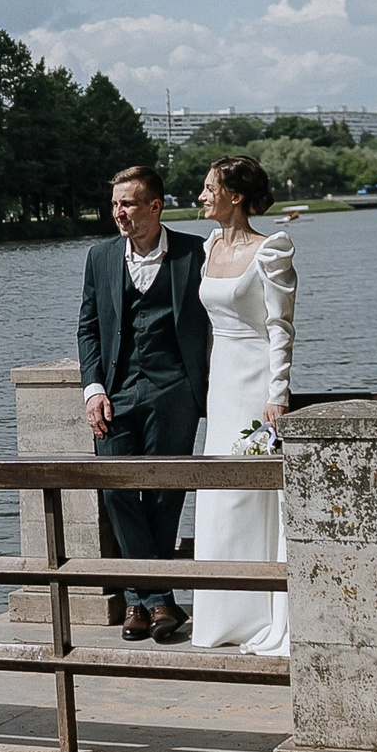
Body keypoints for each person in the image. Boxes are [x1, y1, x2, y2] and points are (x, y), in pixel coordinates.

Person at [77, 164, 212, 644]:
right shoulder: (101, 256)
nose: (119, 213)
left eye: (128, 203)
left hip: (174, 390)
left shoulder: (197, 252)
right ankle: (156, 600)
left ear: (155, 206)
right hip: (116, 391)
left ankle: (140, 603)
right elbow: (89, 326)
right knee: (115, 490)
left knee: (164, 493)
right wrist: (92, 387)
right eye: (115, 204)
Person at [190, 155, 296, 656]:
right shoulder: (209, 246)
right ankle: (220, 618)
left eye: (210, 188)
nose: (202, 196)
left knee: (250, 494)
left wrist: (277, 393)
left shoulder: (271, 249)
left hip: (255, 383)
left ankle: (261, 613)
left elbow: (280, 327)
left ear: (236, 196)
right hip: (221, 383)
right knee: (218, 495)